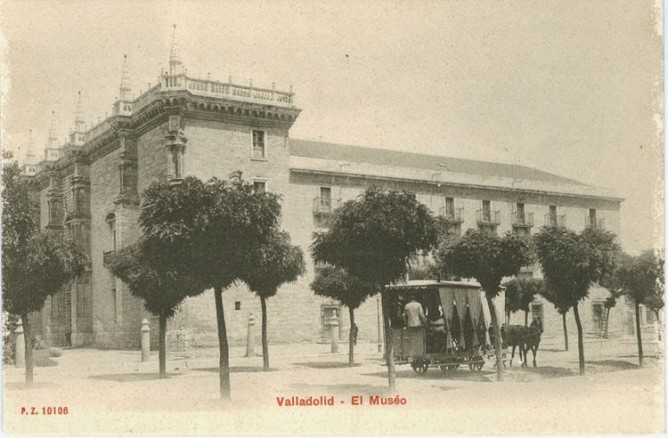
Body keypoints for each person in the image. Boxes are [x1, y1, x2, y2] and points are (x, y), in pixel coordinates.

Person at [403, 295, 427, 359]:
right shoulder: (418, 305)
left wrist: (405, 323)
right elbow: (421, 315)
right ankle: (419, 354)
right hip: (418, 324)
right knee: (419, 339)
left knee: (412, 339)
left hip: (410, 325)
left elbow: (403, 315)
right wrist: (425, 322)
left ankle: (412, 354)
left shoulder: (407, 305)